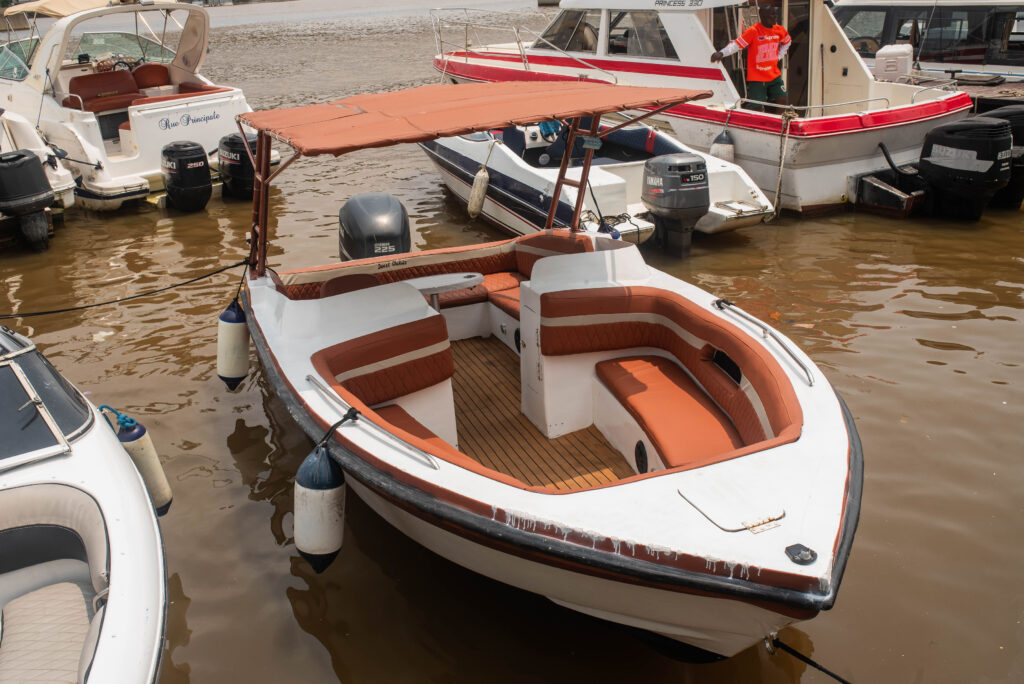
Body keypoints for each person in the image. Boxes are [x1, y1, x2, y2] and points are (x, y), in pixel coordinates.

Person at [711, 2, 792, 107]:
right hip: (757, 78)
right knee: (757, 107)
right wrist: (722, 53)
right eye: (772, 14)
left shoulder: (779, 30)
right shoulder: (753, 31)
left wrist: (779, 56)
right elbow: (736, 45)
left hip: (774, 76)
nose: (775, 16)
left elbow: (787, 42)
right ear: (763, 17)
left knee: (783, 101)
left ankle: (778, 118)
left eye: (775, 14)